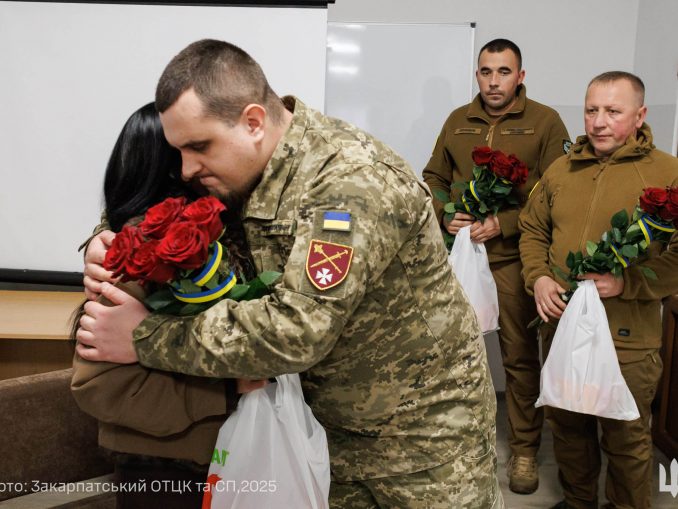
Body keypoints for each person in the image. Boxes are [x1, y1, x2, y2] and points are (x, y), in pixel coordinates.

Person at [76, 39, 503, 508]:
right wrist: (106, 237)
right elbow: (165, 202)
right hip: (321, 434)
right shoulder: (242, 165)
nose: (187, 167)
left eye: (198, 147)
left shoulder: (349, 183)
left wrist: (145, 337)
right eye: (180, 150)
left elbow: (298, 330)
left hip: (421, 449)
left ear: (253, 122)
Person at [71, 102, 252, 508]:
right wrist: (226, 390)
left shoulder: (216, 237)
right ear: (171, 166)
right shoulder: (137, 255)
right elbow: (99, 387)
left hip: (216, 457)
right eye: (194, 149)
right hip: (164, 469)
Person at [518, 71, 678, 509]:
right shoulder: (562, 168)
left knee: (625, 437)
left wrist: (629, 283)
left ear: (640, 115)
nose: (599, 121)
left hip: (628, 337)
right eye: (591, 110)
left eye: (613, 111)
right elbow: (532, 229)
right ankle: (578, 501)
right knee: (569, 427)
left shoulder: (667, 172)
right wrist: (539, 277)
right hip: (563, 328)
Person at [422, 38, 570, 495]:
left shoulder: (545, 121)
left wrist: (503, 223)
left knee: (519, 358)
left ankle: (524, 450)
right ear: (477, 74)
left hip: (513, 258)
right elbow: (433, 177)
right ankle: (452, 441)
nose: (493, 81)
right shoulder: (457, 121)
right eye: (486, 71)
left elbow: (557, 194)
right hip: (459, 256)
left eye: (504, 72)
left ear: (520, 76)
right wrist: (445, 212)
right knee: (449, 352)